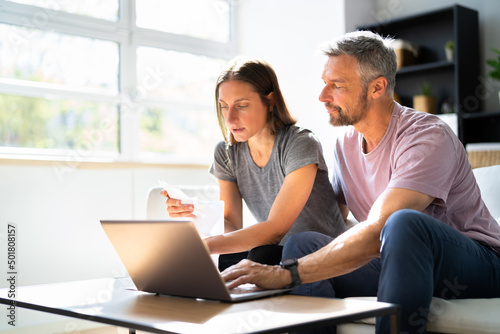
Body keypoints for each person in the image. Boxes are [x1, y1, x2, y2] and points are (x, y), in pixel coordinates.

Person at [221, 31, 500, 334]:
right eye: (324, 82)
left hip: (475, 263)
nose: (323, 95)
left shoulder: (427, 135)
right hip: (395, 263)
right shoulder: (345, 146)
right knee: (304, 244)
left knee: (403, 223)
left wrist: (287, 274)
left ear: (377, 87)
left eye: (336, 85)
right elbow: (330, 220)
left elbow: (381, 227)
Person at [163, 57, 345, 271]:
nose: (230, 119)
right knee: (226, 259)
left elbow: (275, 229)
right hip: (276, 252)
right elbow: (231, 224)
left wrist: (206, 246)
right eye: (224, 107)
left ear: (269, 101)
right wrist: (197, 211)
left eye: (241, 106)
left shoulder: (300, 143)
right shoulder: (226, 153)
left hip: (321, 253)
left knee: (259, 255)